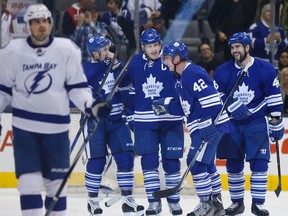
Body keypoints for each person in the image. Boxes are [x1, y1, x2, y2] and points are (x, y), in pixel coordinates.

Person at [0, 4, 109, 215]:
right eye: (36, 22)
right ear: (28, 25)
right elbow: (3, 92)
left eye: (44, 21)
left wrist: (92, 105)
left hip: (56, 131)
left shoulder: (66, 49)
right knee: (28, 184)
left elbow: (77, 89)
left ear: (50, 23)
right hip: (26, 131)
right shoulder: (12, 52)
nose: (41, 26)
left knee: (56, 186)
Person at [213, 32, 284, 216]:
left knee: (260, 163)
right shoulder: (222, 70)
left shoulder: (265, 69)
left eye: (238, 46)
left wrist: (275, 121)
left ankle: (258, 204)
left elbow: (273, 96)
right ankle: (237, 203)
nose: (235, 50)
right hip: (231, 124)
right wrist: (230, 105)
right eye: (232, 47)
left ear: (247, 47)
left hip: (256, 123)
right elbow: (216, 96)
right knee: (234, 163)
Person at [158, 41, 231, 216]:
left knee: (196, 164)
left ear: (176, 58)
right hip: (205, 126)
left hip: (210, 126)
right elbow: (187, 107)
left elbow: (213, 101)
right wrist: (166, 105)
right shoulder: (182, 76)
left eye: (167, 58)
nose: (165, 62)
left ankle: (206, 205)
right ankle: (217, 205)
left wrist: (208, 125)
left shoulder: (193, 73)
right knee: (206, 165)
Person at [118, 28, 184, 215]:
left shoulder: (171, 58)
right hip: (144, 121)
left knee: (172, 163)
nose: (154, 49)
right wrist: (131, 112)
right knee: (149, 162)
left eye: (156, 45)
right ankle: (154, 201)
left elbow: (184, 82)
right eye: (149, 46)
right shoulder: (135, 63)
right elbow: (126, 88)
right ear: (143, 47)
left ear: (160, 44)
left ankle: (174, 201)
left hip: (171, 120)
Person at [82, 34, 144, 215]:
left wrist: (116, 63)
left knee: (126, 158)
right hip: (95, 122)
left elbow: (126, 85)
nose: (108, 52)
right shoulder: (85, 69)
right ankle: (92, 201)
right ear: (94, 54)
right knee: (97, 161)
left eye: (108, 48)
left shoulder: (115, 66)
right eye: (103, 50)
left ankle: (127, 199)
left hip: (117, 121)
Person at [248, 3, 288, 68]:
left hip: (274, 65)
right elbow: (250, 44)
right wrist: (266, 40)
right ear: (263, 13)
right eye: (268, 11)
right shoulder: (255, 27)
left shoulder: (279, 29)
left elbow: (285, 45)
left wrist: (279, 40)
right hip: (258, 64)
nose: (271, 13)